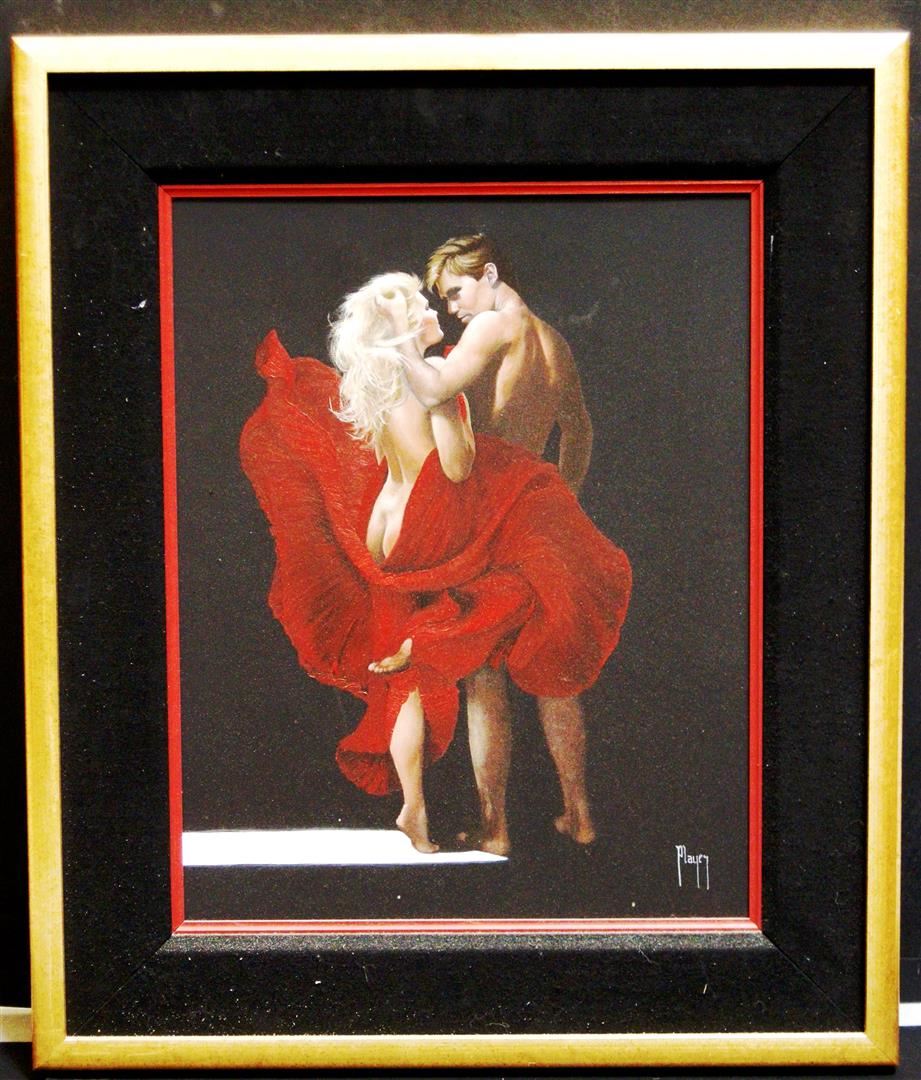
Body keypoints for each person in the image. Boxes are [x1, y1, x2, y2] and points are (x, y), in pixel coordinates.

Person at [240, 271, 630, 857]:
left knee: (407, 680)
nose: (434, 312)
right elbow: (455, 467)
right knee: (502, 606)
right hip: (427, 524)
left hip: (383, 525)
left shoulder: (370, 378)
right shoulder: (437, 382)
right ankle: (430, 644)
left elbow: (381, 455)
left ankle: (414, 808)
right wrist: (460, 420)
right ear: (400, 324)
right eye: (423, 305)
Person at [394, 233, 598, 854]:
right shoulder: (554, 342)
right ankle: (579, 816)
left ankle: (495, 827)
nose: (452, 306)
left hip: (486, 512)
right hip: (535, 514)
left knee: (485, 673)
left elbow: (434, 391)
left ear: (487, 275)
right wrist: (559, 495)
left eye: (456, 291)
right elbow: (579, 431)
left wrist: (400, 342)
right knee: (555, 671)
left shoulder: (491, 326)